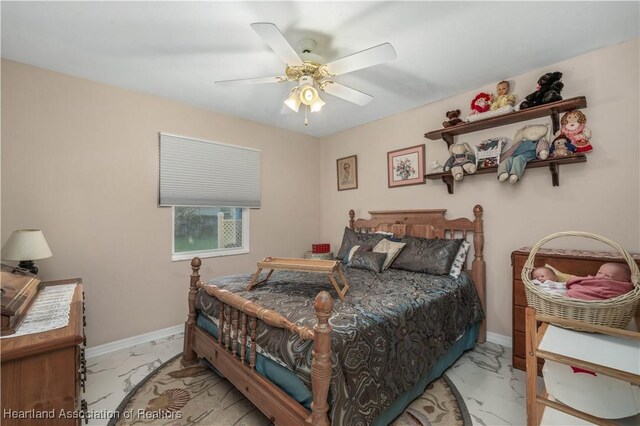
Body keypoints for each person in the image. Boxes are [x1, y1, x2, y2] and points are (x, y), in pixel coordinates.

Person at [565, 262, 633, 300]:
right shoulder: (592, 280)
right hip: (577, 299)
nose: (601, 277)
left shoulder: (620, 288)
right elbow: (583, 282)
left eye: (607, 276)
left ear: (623, 281)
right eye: (599, 273)